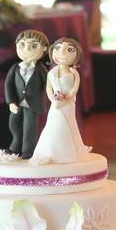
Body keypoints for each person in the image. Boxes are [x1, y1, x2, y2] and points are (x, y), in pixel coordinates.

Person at [30, 37, 91, 165]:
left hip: (68, 104)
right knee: (54, 124)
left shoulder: (74, 72)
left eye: (69, 50)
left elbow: (75, 88)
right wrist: (54, 99)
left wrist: (67, 97)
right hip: (55, 105)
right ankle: (51, 151)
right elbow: (48, 89)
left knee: (68, 124)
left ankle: (68, 153)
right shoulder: (51, 72)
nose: (62, 52)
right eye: (58, 48)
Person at [5, 30, 49, 158]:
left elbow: (48, 84)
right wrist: (11, 102)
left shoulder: (41, 69)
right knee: (14, 125)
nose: (27, 49)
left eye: (34, 46)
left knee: (30, 128)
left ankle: (28, 151)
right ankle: (15, 148)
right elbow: (9, 86)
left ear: (44, 48)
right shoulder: (15, 68)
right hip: (17, 103)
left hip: (32, 105)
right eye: (22, 45)